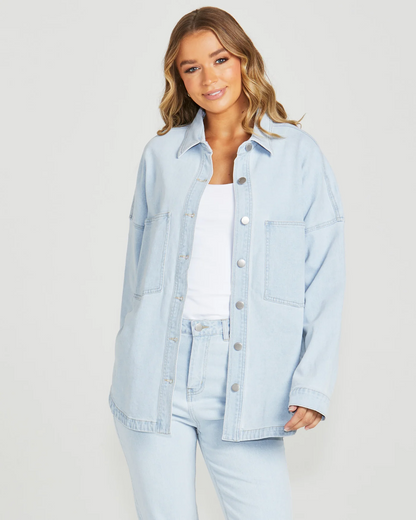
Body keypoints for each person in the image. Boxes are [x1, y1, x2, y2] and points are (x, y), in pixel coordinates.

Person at [108, 6, 346, 520]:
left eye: (219, 59)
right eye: (191, 67)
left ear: (243, 59)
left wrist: (313, 382)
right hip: (156, 368)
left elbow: (325, 275)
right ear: (179, 77)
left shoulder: (297, 155)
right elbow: (136, 276)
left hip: (248, 371)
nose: (208, 78)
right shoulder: (161, 156)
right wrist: (130, 357)